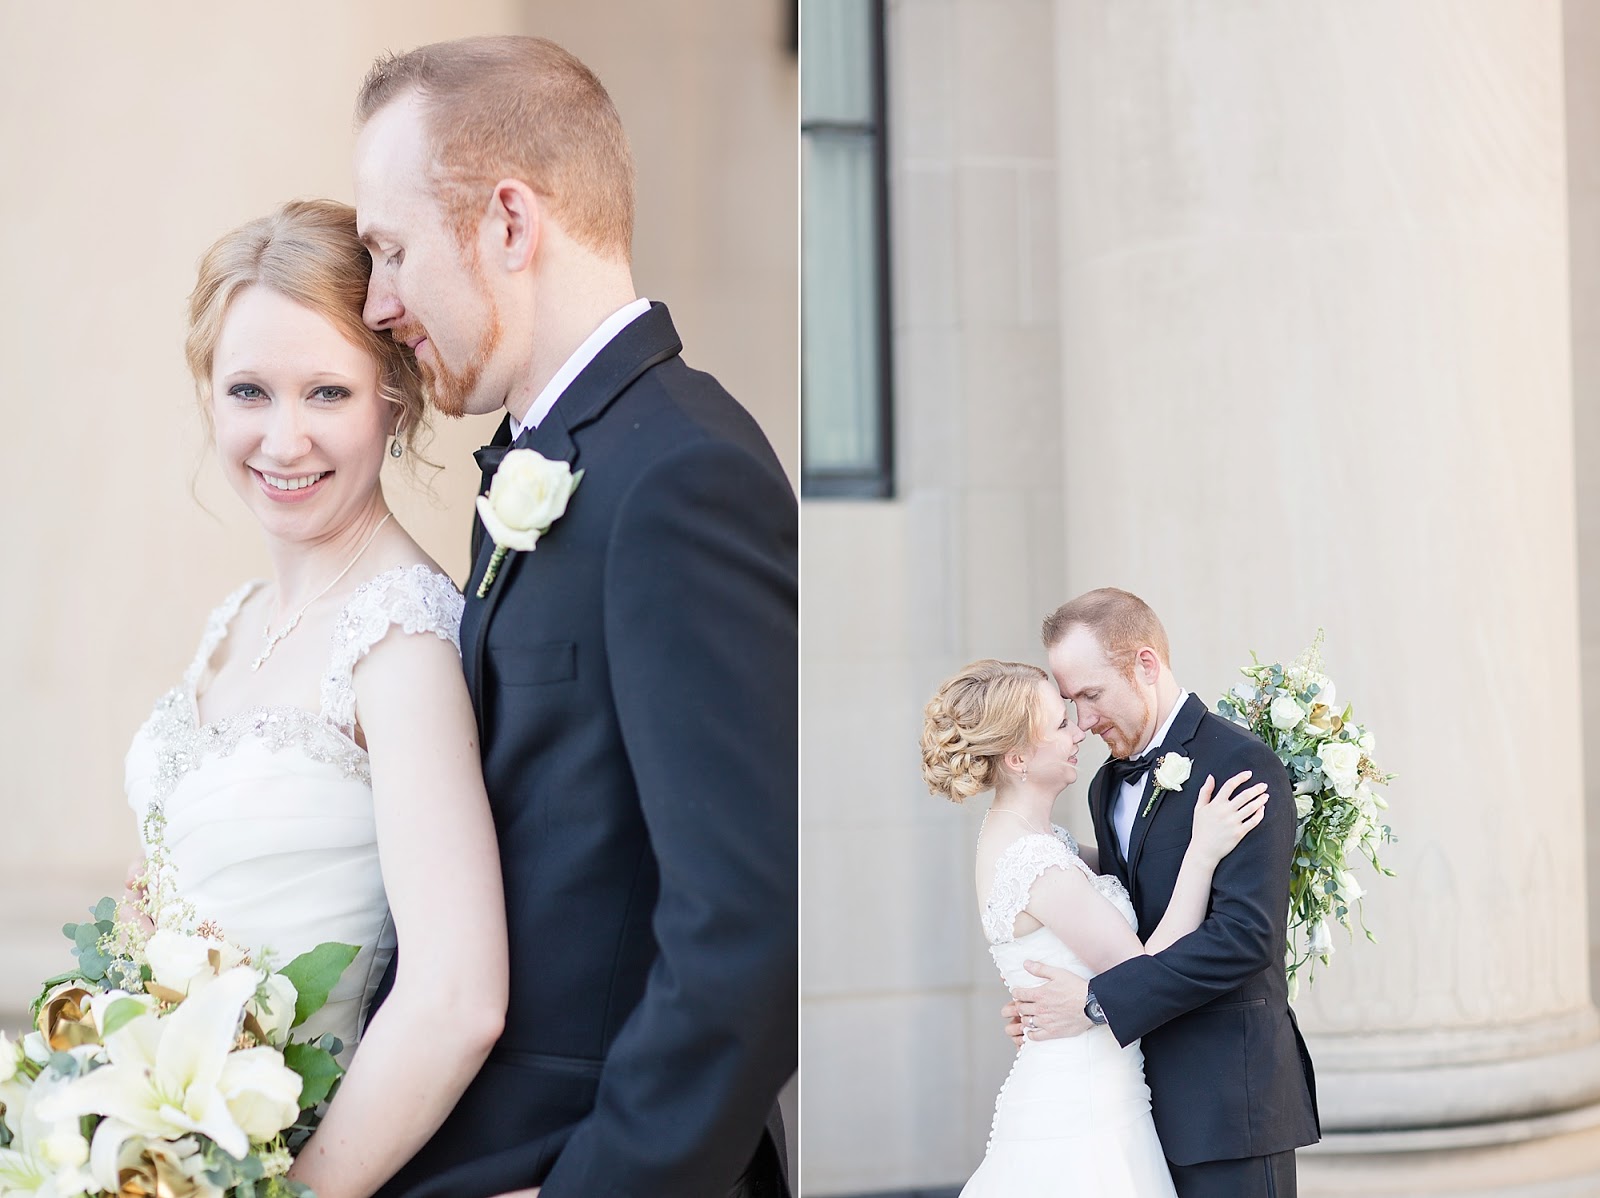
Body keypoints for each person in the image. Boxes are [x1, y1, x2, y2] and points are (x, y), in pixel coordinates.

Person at [351, 35, 798, 1198]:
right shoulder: (551, 461)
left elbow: (749, 927)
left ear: (509, 221)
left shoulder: (682, 477)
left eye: (391, 250)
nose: (377, 302)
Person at [123, 199, 510, 1198]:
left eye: (327, 392)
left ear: (395, 401)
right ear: (209, 396)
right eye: (249, 390)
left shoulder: (400, 641)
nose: (283, 439)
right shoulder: (239, 618)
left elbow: (457, 999)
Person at [1004, 589, 1320, 1197]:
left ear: (1145, 665)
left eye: (1092, 695)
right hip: (1130, 1109)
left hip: (1227, 1107)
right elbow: (1127, 922)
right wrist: (1045, 1004)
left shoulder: (1240, 764)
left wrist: (1094, 1004)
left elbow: (1244, 939)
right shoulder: (1104, 786)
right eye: (1071, 703)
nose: (1083, 722)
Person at [922, 659, 1268, 1196]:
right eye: (1060, 723)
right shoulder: (1034, 863)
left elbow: (1135, 876)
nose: (1079, 729)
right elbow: (1144, 972)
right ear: (1017, 758)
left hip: (1099, 1091)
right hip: (1082, 1109)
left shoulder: (1045, 842)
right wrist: (1203, 852)